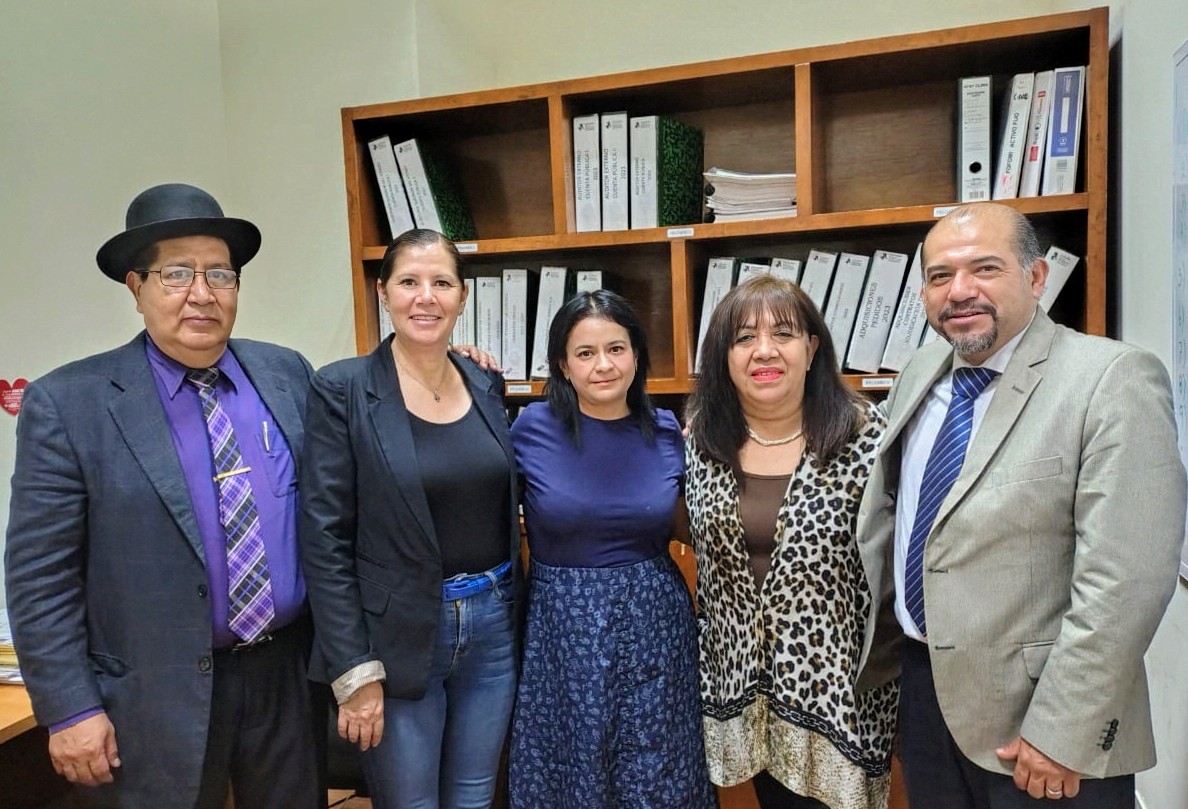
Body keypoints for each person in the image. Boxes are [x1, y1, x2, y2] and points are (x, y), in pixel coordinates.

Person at [855, 202, 1187, 807]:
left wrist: (1062, 731)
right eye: (939, 276)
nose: (960, 292)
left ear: (1036, 278)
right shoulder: (922, 371)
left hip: (1043, 723)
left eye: (985, 269)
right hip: (926, 697)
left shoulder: (1111, 379)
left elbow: (1126, 582)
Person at [4, 183, 322, 807]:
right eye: (177, 273)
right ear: (135, 287)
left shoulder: (287, 374)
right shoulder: (70, 404)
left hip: (285, 675)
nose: (202, 293)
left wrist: (450, 369)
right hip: (152, 692)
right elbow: (42, 577)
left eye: (220, 274)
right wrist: (69, 708)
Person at [299, 228, 519, 809]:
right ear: (383, 292)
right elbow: (323, 537)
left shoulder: (486, 381)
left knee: (474, 797)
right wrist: (353, 669)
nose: (426, 297)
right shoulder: (341, 389)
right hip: (395, 637)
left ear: (463, 296)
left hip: (492, 625)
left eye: (442, 282)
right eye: (409, 282)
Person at [684, 275, 898, 809]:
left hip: (839, 700)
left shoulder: (867, 440)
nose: (764, 351)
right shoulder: (701, 443)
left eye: (783, 333)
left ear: (812, 347)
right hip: (747, 695)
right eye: (743, 338)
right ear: (723, 358)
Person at [508, 290, 716, 809]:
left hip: (655, 626)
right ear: (562, 363)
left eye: (616, 349)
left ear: (637, 355)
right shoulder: (530, 428)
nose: (603, 365)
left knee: (658, 766)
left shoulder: (668, 431)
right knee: (570, 767)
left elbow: (696, 525)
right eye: (585, 353)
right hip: (563, 629)